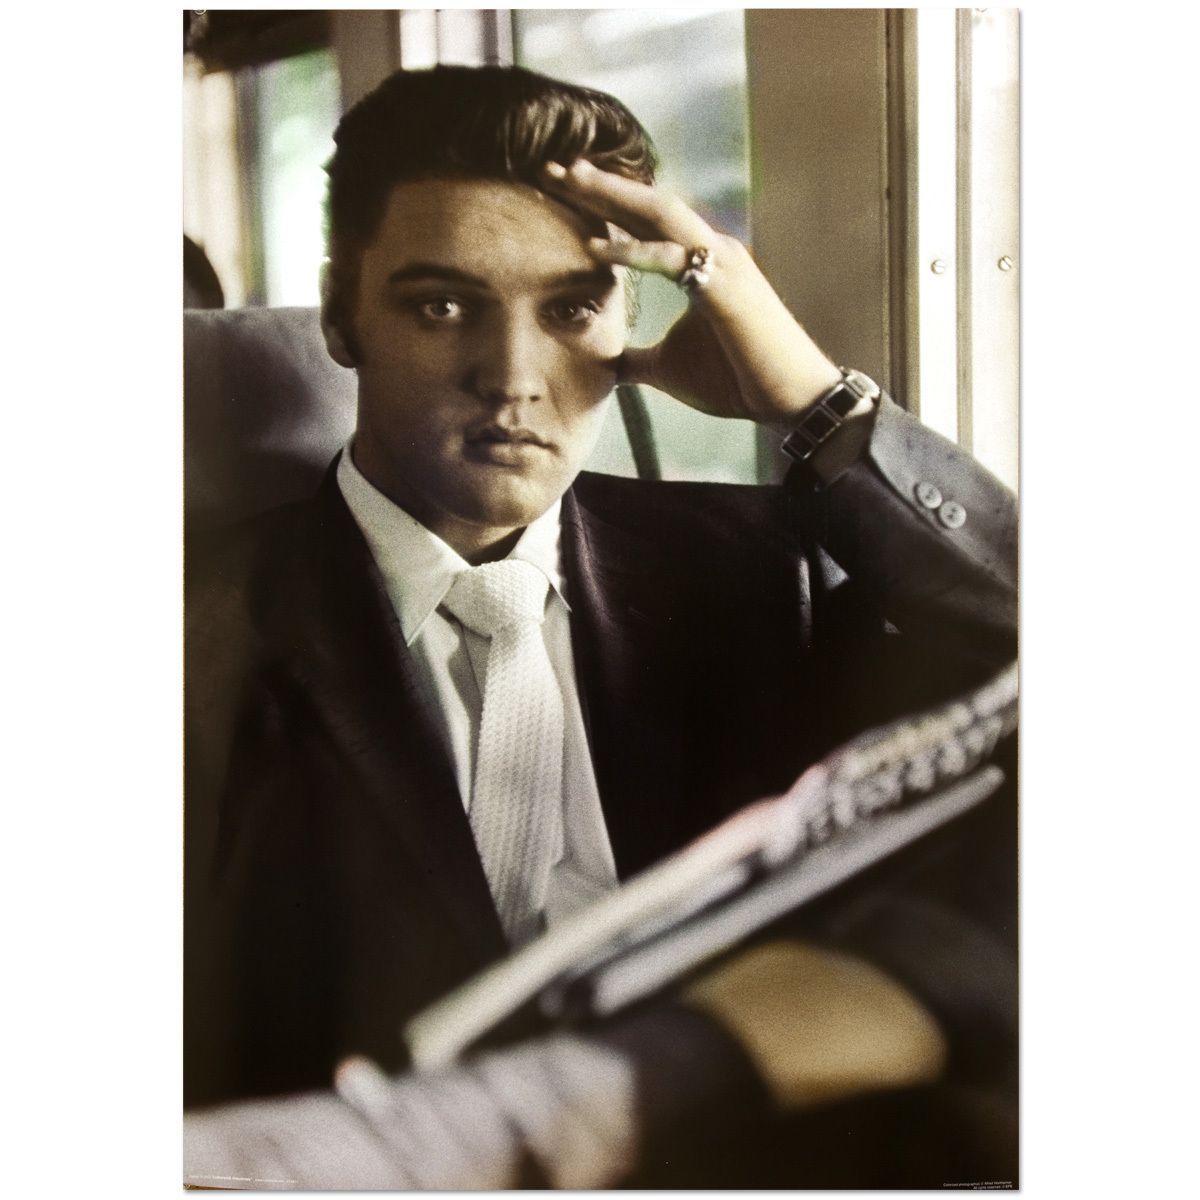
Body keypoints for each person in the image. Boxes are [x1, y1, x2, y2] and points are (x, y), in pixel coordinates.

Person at [185, 64, 1017, 1182]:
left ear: (628, 320)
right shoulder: (187, 628)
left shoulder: (758, 575)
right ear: (342, 314)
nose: (512, 378)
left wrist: (815, 407)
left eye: (571, 309)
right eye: (442, 307)